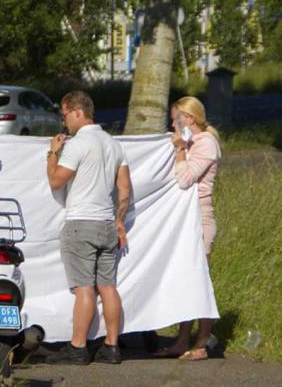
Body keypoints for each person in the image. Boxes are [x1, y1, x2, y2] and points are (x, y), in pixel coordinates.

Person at [45, 90, 132, 365]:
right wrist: (119, 219)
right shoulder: (114, 144)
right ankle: (112, 346)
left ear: (77, 112)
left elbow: (56, 181)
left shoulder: (77, 144)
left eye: (65, 115)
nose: (64, 122)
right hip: (107, 223)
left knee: (84, 289)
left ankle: (78, 347)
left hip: (81, 223)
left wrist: (52, 153)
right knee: (108, 287)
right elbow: (125, 188)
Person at [153, 96, 222, 361]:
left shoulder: (206, 143)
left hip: (200, 219)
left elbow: (185, 179)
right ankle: (182, 341)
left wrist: (180, 150)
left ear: (190, 118)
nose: (172, 124)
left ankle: (201, 344)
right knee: (188, 282)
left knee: (200, 283)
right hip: (186, 219)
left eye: (176, 119)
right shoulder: (193, 142)